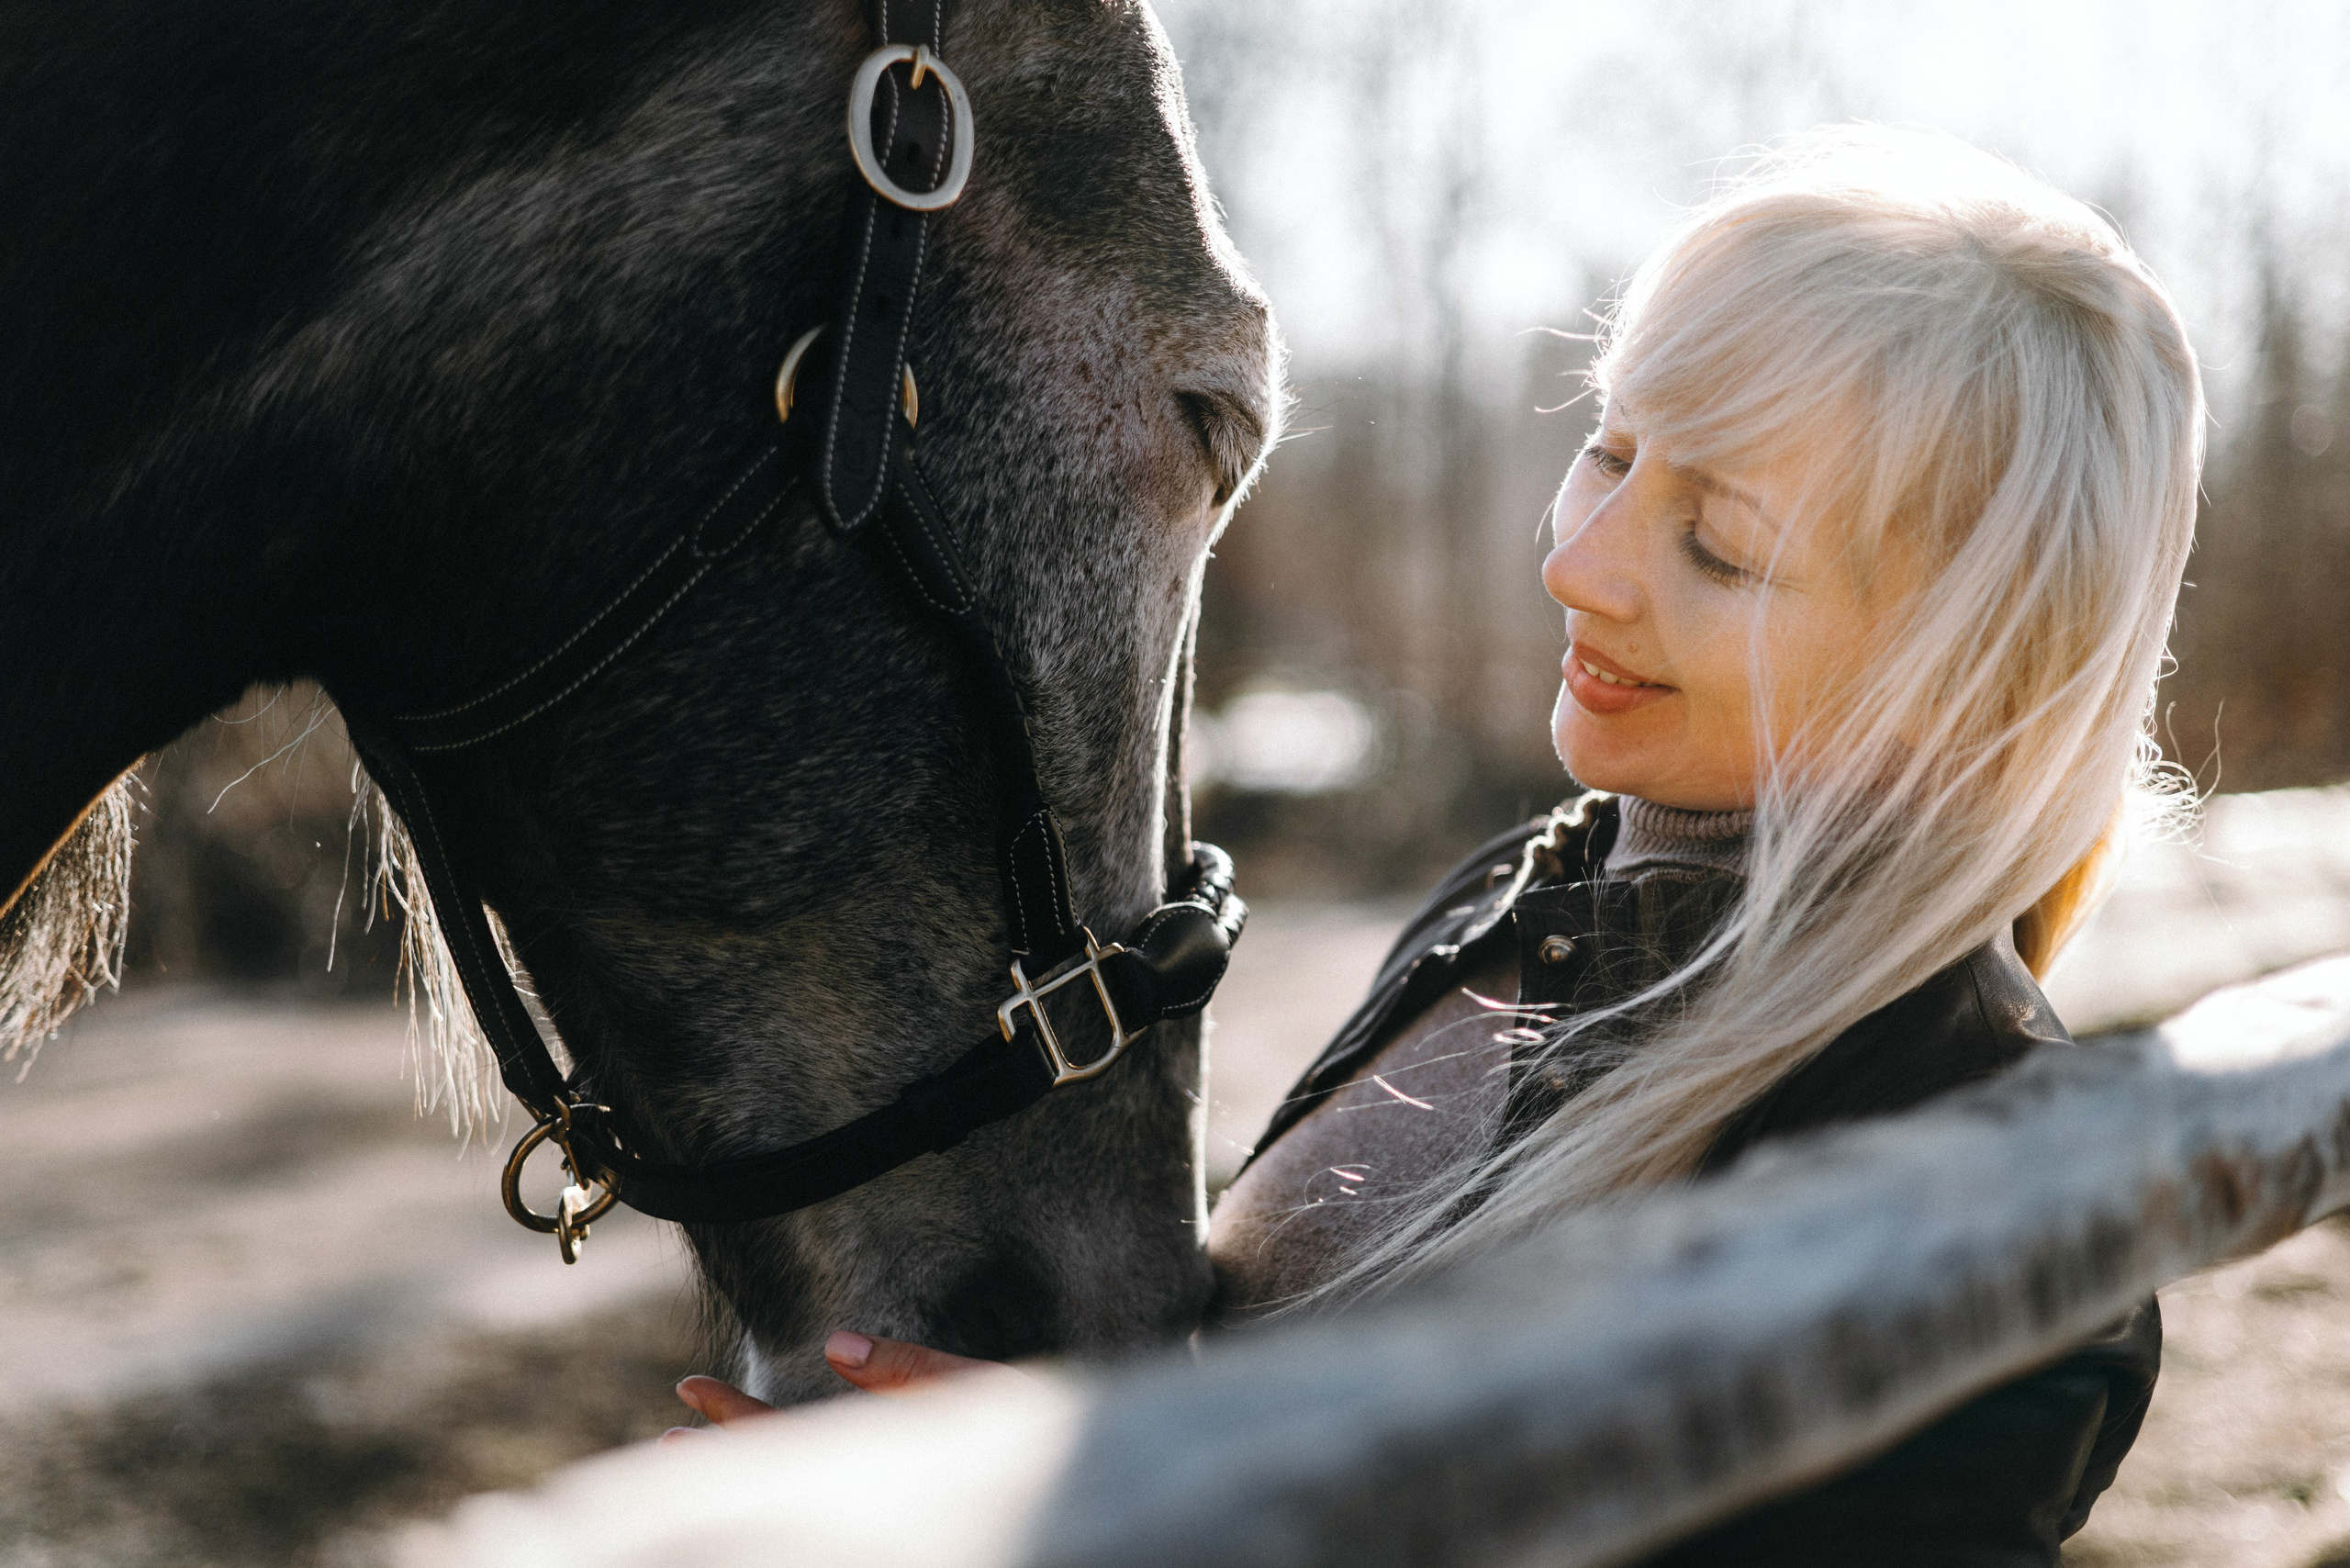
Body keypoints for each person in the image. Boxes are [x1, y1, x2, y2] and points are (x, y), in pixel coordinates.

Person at [677, 127, 2205, 1565]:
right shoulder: (1531, 889)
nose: (1576, 562)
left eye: (1723, 543)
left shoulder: (1978, 1192)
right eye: (1611, 453)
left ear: (1964, 664)